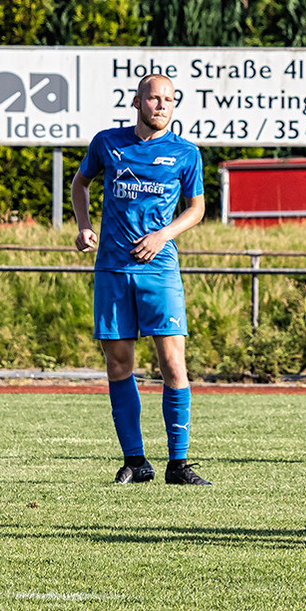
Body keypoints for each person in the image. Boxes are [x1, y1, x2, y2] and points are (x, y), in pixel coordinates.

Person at [73, 74, 209, 486]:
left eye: (169, 99)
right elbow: (80, 183)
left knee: (173, 364)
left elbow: (197, 208)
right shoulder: (107, 143)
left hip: (160, 270)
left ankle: (179, 464)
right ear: (137, 102)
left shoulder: (186, 153)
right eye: (154, 98)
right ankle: (136, 461)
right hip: (113, 268)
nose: (162, 105)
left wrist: (163, 235)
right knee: (119, 364)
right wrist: (83, 225)